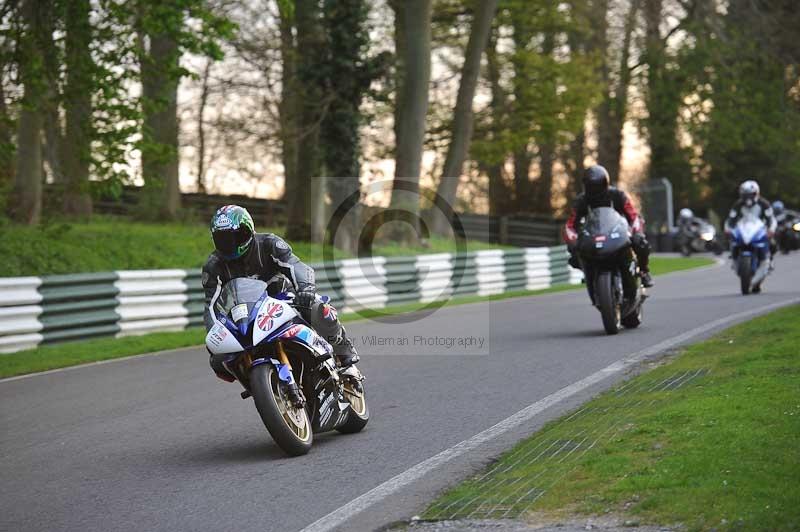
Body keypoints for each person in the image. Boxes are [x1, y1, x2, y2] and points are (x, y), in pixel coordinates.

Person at [202, 205, 359, 382]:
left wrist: (305, 289)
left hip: (283, 299)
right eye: (223, 240)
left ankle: (346, 358)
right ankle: (259, 384)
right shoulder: (213, 265)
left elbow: (296, 266)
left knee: (317, 308)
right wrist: (214, 332)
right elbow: (211, 305)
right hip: (246, 315)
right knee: (218, 358)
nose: (230, 244)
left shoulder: (269, 243)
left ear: (249, 231)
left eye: (236, 236)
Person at [564, 165, 653, 288]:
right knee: (573, 252)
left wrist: (636, 231)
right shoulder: (581, 201)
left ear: (605, 183)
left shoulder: (617, 195)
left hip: (618, 231)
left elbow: (633, 216)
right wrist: (573, 240)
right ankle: (589, 273)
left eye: (597, 186)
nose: (594, 190)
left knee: (640, 242)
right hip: (594, 236)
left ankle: (644, 271)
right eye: (591, 186)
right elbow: (570, 225)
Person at [723, 180, 777, 263]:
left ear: (756, 193)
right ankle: (734, 256)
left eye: (751, 195)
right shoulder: (737, 205)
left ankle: (770, 259)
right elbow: (731, 218)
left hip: (761, 228)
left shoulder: (764, 204)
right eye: (745, 195)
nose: (748, 198)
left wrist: (771, 230)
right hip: (743, 228)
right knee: (732, 240)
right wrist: (727, 229)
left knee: (772, 243)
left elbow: (771, 218)